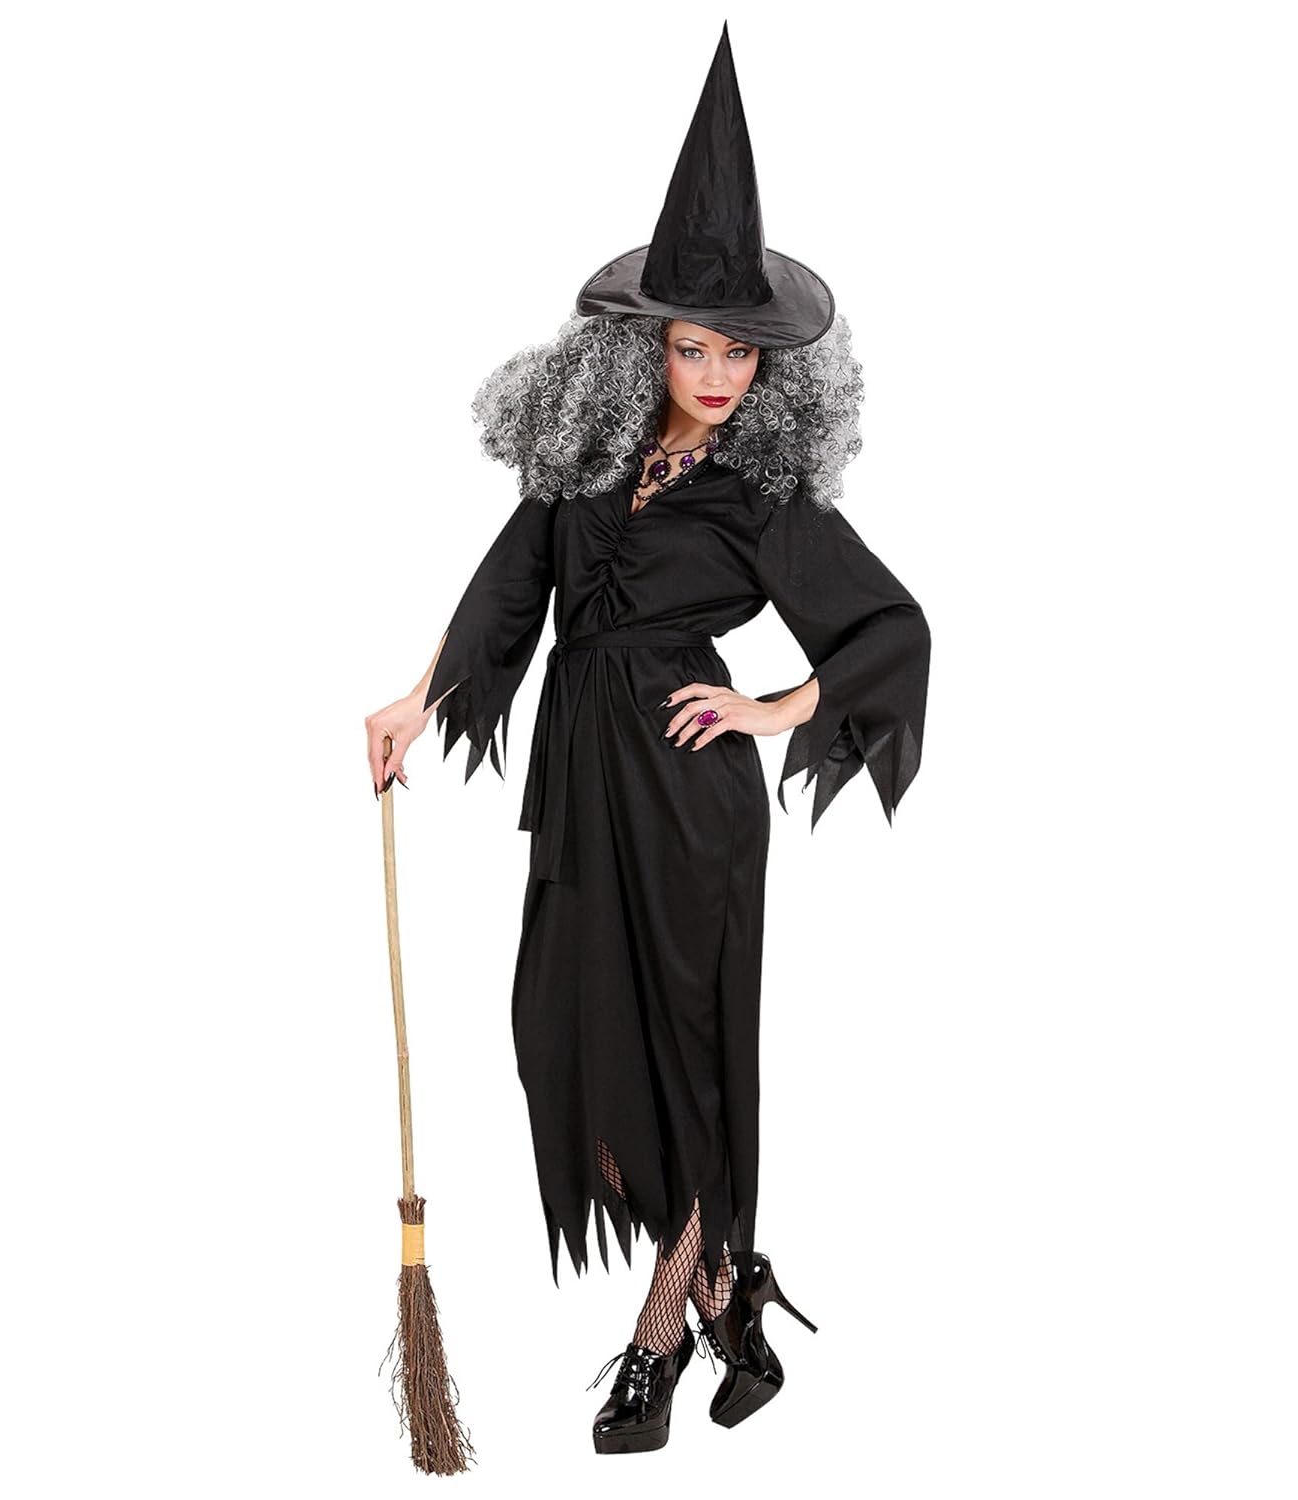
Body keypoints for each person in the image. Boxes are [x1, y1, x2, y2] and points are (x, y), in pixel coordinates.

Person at [364, 24, 930, 1454]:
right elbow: (508, 592)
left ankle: (661, 1335)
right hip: (583, 792)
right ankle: (740, 1288)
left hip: (689, 804)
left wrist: (768, 707)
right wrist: (419, 697)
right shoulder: (587, 464)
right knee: (567, 1027)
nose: (718, 371)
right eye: (693, 344)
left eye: (740, 349)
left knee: (689, 1061)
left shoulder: (764, 496)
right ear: (645, 346)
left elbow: (890, 631)